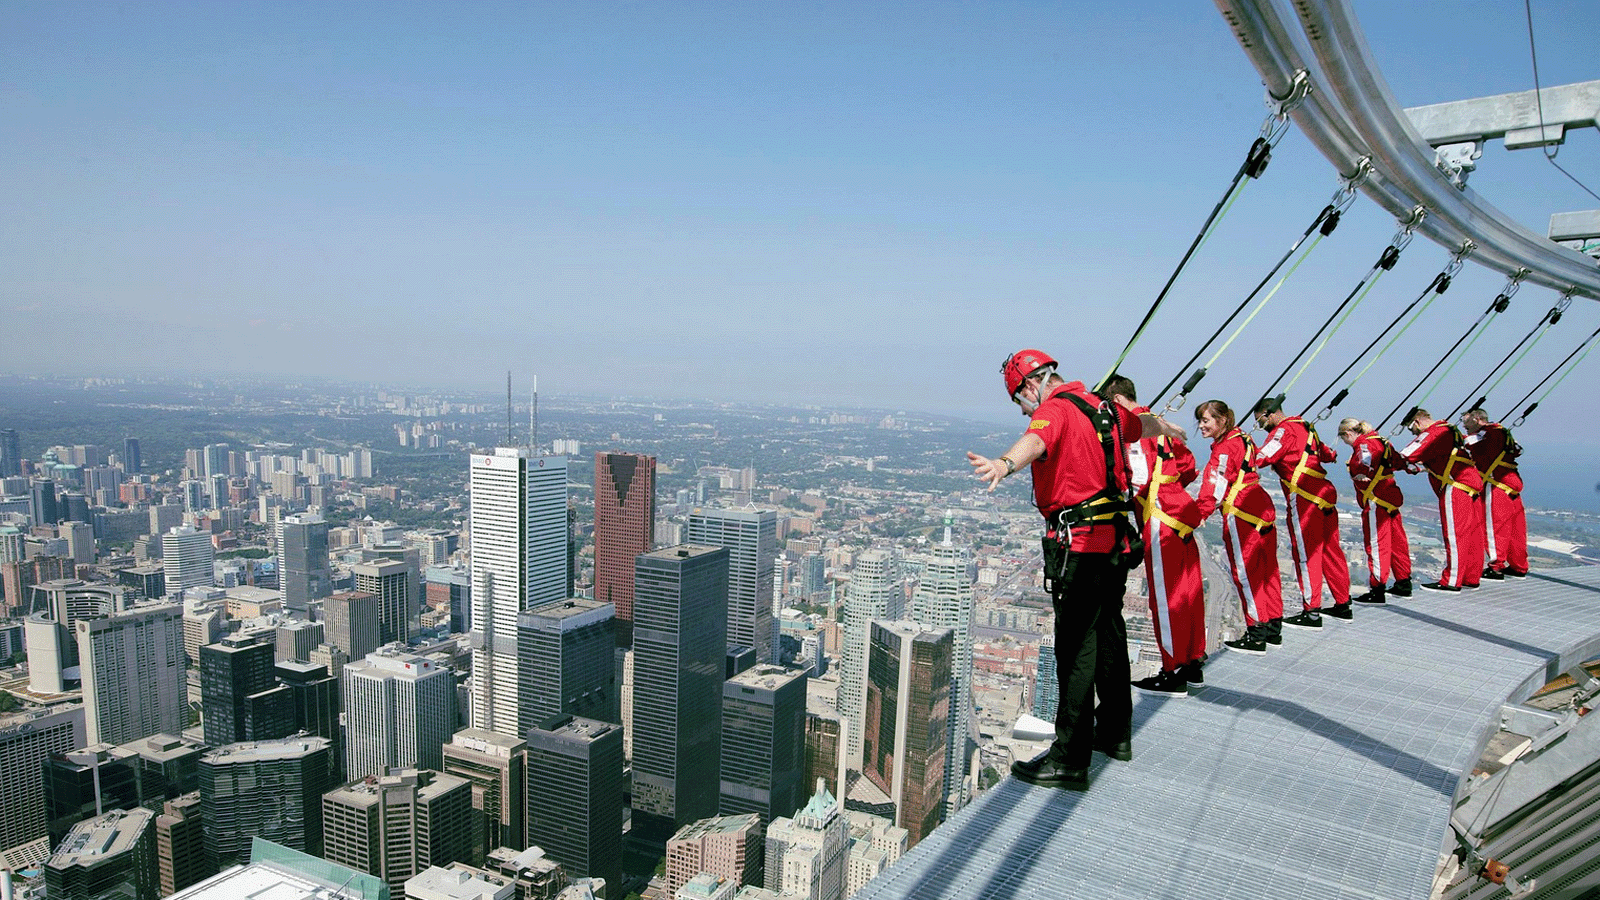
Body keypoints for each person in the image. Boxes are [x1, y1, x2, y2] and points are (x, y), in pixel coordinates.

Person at [968, 350, 1177, 790]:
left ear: (1029, 386)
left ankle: (1069, 758)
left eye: (1019, 401)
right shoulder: (1107, 408)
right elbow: (1145, 424)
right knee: (1109, 635)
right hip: (1116, 541)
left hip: (1079, 545)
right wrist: (1168, 428)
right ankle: (1115, 733)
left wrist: (1004, 464)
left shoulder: (1054, 410)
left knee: (1076, 648)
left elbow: (1037, 440)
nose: (1024, 409)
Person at [1101, 375, 1206, 697]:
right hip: (1181, 516)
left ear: (1117, 402)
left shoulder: (1136, 430)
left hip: (1160, 520)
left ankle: (1172, 671)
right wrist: (1172, 491)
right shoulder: (1162, 426)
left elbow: (1138, 478)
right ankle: (1191, 663)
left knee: (1167, 598)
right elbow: (1188, 466)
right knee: (1188, 594)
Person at [1250, 397, 1354, 627]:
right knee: (1331, 550)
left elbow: (1262, 456)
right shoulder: (1307, 426)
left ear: (1269, 414)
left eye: (1260, 422)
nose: (1260, 427)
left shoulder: (1281, 431)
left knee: (1307, 554)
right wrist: (1332, 457)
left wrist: (1241, 453)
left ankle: (1312, 612)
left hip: (1304, 496)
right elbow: (1325, 453)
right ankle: (1342, 604)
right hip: (1324, 493)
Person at [1193, 400, 1284, 654]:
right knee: (1268, 569)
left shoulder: (1223, 449)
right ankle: (1272, 626)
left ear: (1221, 421)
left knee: (1245, 572)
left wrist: (1202, 511)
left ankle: (1256, 632)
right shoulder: (1243, 437)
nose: (1201, 426)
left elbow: (1216, 482)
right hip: (1261, 505)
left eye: (1206, 420)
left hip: (1241, 511)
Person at [1399, 408, 1485, 591]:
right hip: (1471, 485)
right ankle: (1471, 576)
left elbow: (1406, 454)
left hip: (1455, 488)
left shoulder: (1433, 432)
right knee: (1473, 536)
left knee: (1454, 536)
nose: (1413, 433)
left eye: (1411, 429)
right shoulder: (1451, 430)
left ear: (1417, 422)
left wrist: (1385, 457)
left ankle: (1451, 581)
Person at [1337, 417, 1413, 603]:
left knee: (1377, 544)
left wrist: (1362, 471)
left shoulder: (1364, 444)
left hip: (1376, 499)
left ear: (1348, 434)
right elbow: (1398, 461)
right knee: (1397, 541)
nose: (1347, 444)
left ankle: (1377, 588)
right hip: (1390, 496)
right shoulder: (1382, 441)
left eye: (1345, 440)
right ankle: (1403, 582)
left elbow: (1365, 460)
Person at [1462, 407, 1528, 579]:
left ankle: (1496, 566)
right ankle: (1519, 565)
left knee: (1494, 527)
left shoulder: (1487, 433)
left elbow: (1468, 442)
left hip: (1496, 485)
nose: (1465, 428)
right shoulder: (1502, 432)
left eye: (1466, 424)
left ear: (1476, 419)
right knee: (1516, 529)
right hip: (1512, 484)